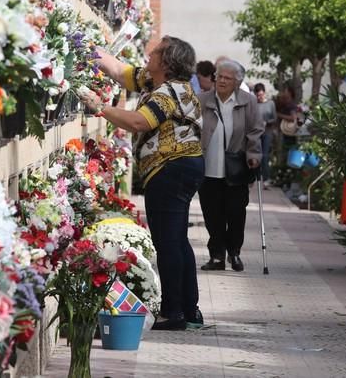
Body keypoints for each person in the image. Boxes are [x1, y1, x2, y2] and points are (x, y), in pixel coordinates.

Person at [80, 36, 204, 331]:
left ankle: (173, 312)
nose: (149, 53)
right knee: (177, 241)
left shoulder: (166, 93)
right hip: (183, 168)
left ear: (167, 61)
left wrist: (101, 108)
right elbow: (121, 71)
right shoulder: (158, 82)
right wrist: (87, 47)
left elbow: (139, 122)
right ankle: (189, 309)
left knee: (168, 241)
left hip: (170, 170)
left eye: (156, 51)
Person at [197, 58, 262, 272]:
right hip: (208, 167)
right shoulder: (202, 99)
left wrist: (253, 154)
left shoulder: (247, 101)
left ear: (237, 82)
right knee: (212, 214)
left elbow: (255, 130)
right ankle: (217, 256)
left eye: (227, 78)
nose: (222, 81)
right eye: (219, 77)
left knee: (235, 213)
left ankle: (234, 253)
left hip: (236, 168)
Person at [253, 83, 276, 189]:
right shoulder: (254, 104)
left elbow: (274, 118)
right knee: (256, 156)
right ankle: (255, 178)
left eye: (261, 95)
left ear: (264, 93)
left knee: (265, 156)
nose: (260, 97)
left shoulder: (271, 103)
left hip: (267, 132)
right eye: (258, 95)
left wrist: (267, 122)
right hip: (257, 133)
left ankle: (266, 179)